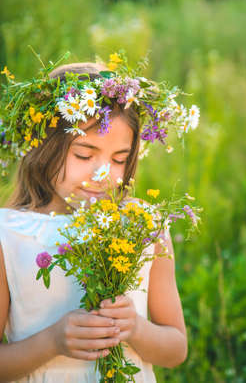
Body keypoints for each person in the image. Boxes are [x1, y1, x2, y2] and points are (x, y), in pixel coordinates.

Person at [0, 55, 198, 382]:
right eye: (84, 154)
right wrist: (52, 342)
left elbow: (176, 349)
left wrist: (134, 327)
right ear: (43, 146)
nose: (103, 173)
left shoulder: (142, 226)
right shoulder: (9, 235)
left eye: (119, 159)